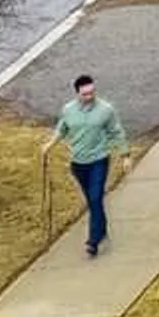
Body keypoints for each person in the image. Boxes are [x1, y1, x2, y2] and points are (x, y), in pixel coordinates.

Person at [47, 74, 129, 257]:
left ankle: (93, 241)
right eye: (85, 94)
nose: (89, 97)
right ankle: (101, 229)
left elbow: (116, 132)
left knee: (95, 197)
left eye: (92, 93)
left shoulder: (106, 110)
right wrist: (49, 145)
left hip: (99, 160)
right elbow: (62, 128)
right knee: (93, 201)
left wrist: (125, 155)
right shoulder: (68, 110)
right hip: (78, 163)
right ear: (77, 94)